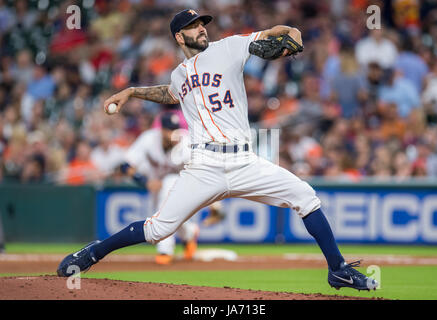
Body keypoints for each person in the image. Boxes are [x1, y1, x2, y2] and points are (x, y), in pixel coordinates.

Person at [57, 9, 378, 291]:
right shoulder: (179, 74)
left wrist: (293, 34)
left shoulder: (230, 47)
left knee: (306, 196)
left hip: (244, 161)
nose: (202, 28)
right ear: (179, 37)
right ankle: (93, 253)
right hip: (204, 165)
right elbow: (171, 94)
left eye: (202, 23)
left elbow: (275, 34)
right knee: (157, 230)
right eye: (194, 26)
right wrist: (131, 92)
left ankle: (338, 270)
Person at [119, 111, 223, 264]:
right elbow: (125, 166)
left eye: (174, 129)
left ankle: (165, 250)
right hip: (155, 182)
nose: (172, 133)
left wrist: (214, 204)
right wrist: (145, 181)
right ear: (161, 130)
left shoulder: (187, 142)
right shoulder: (149, 139)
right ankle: (189, 233)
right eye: (168, 129)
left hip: (181, 180)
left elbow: (205, 172)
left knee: (167, 189)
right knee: (165, 214)